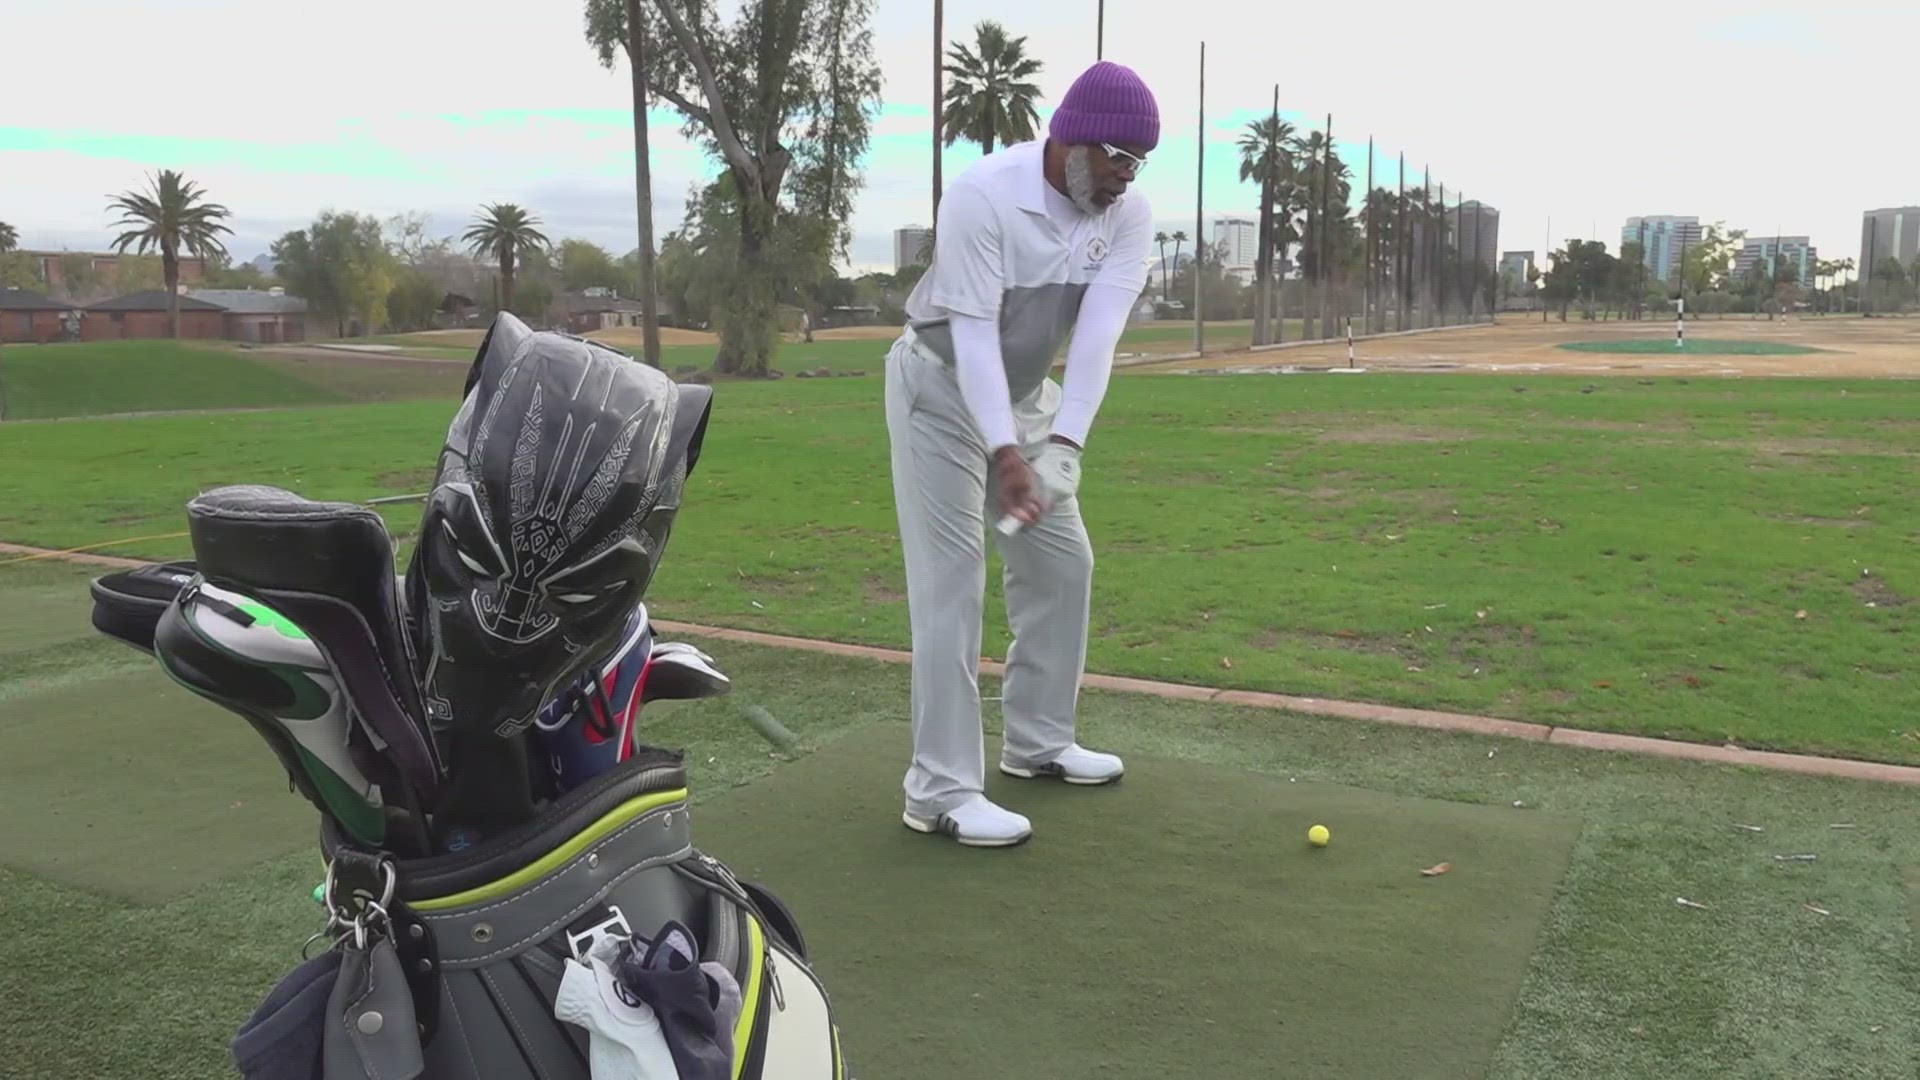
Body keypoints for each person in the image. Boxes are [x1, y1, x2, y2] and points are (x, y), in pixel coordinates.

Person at [883, 60, 1158, 847]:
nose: (1124, 179)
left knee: (1063, 562)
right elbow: (969, 334)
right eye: (1117, 159)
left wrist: (1062, 445)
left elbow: (1099, 335)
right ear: (1071, 139)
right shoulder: (982, 195)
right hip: (938, 388)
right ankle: (937, 791)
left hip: (1030, 397)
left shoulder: (1125, 213)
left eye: (1138, 165)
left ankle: (1036, 742)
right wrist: (1004, 450)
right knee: (952, 581)